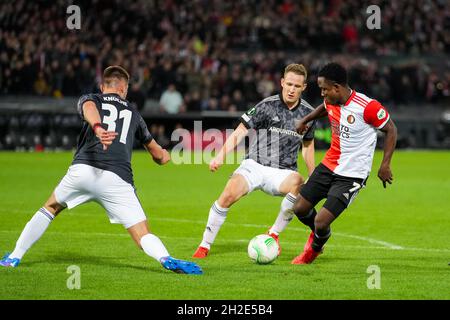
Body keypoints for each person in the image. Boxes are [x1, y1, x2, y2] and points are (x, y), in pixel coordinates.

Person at [0, 66, 202, 275]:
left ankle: (14, 256)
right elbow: (159, 156)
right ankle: (166, 258)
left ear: (102, 86)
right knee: (142, 234)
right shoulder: (134, 114)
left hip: (83, 171)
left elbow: (88, 107)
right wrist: (166, 155)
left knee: (50, 207)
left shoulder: (92, 98)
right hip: (117, 180)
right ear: (124, 89)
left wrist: (97, 127)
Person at [193, 64, 316, 258]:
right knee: (227, 195)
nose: (292, 89)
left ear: (304, 87)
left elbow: (308, 145)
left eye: (297, 86)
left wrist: (313, 173)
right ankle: (204, 245)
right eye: (289, 84)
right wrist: (220, 156)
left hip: (283, 172)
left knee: (298, 183)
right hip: (254, 165)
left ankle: (273, 234)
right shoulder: (267, 105)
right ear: (282, 83)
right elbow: (241, 131)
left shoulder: (309, 113)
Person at [291, 62, 397, 264]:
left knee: (321, 221)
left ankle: (314, 249)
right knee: (299, 208)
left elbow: (391, 129)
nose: (322, 93)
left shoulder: (367, 107)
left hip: (352, 175)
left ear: (337, 87)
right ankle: (320, 234)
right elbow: (324, 108)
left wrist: (385, 165)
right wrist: (306, 119)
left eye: (324, 89)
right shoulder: (332, 100)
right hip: (329, 164)